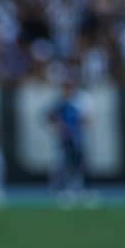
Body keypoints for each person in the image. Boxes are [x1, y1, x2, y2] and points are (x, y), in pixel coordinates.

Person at [47, 79, 91, 208]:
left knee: (77, 164)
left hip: (76, 139)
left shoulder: (76, 104)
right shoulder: (61, 104)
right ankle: (62, 190)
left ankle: (77, 189)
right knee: (63, 165)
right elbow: (49, 116)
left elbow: (84, 120)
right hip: (65, 140)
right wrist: (58, 128)